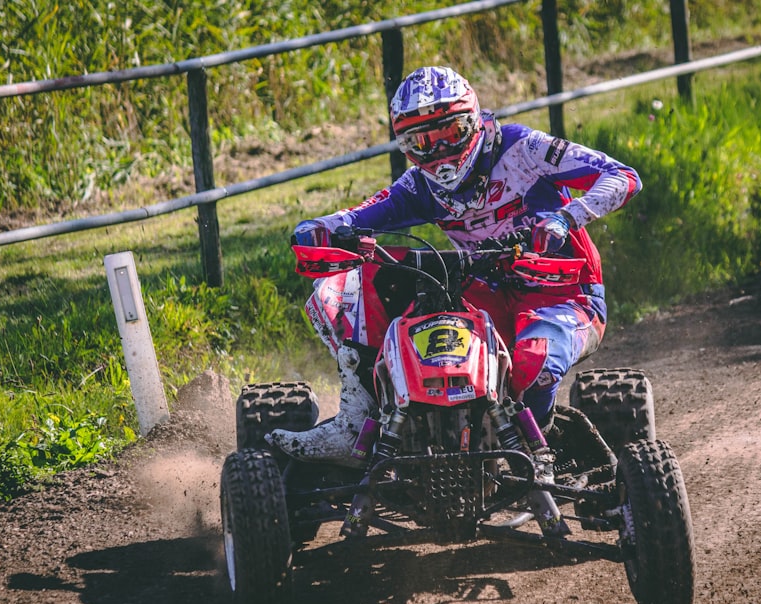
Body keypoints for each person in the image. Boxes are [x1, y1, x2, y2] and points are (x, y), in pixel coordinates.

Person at [266, 65, 641, 468]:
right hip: (484, 294)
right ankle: (363, 425)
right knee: (389, 308)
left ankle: (544, 444)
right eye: (422, 141)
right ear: (405, 144)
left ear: (474, 121)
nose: (440, 152)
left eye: (449, 134)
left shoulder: (524, 149)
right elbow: (358, 215)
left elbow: (621, 175)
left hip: (563, 292)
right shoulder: (419, 187)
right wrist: (317, 228)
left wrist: (568, 217)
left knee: (532, 364)